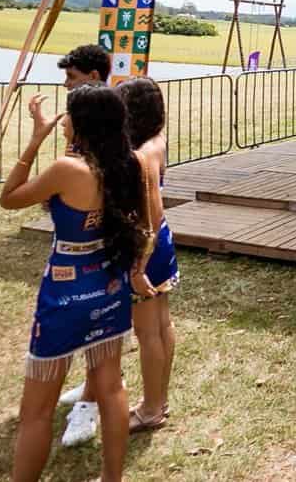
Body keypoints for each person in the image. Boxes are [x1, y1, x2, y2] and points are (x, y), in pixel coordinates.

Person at [0, 85, 147, 482]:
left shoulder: (67, 171)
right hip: (109, 288)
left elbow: (9, 198)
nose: (63, 121)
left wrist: (35, 139)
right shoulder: (129, 165)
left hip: (64, 297)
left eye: (68, 114)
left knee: (36, 412)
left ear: (82, 124)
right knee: (111, 389)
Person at [48, 45, 111, 448]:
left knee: (101, 325)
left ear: (92, 77)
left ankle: (91, 403)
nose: (65, 85)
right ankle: (92, 385)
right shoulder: (81, 121)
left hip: (101, 246)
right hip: (75, 241)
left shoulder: (106, 119)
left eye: (71, 78)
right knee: (87, 324)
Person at [118, 77, 177, 433]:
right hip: (160, 242)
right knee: (161, 325)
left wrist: (139, 264)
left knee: (147, 331)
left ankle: (152, 407)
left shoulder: (142, 156)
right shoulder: (157, 141)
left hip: (146, 245)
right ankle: (158, 399)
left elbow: (152, 211)